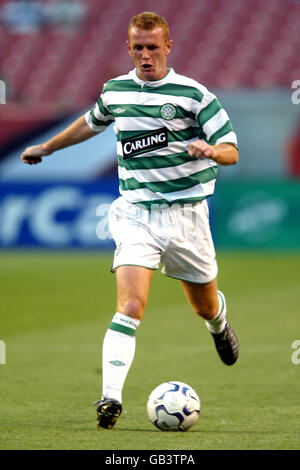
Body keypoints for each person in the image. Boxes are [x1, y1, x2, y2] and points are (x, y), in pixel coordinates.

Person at [21, 11, 239, 430]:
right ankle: (110, 398)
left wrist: (212, 152)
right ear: (128, 48)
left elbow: (231, 148)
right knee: (131, 305)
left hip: (187, 217)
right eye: (138, 47)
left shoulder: (194, 95)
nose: (145, 55)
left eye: (152, 47)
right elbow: (90, 122)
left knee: (205, 306)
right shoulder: (116, 90)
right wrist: (47, 146)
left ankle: (220, 324)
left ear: (168, 47)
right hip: (135, 213)